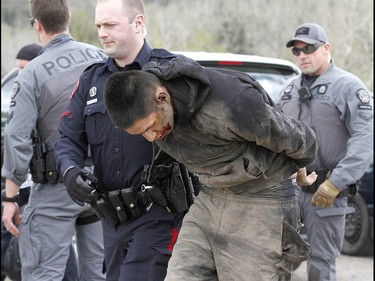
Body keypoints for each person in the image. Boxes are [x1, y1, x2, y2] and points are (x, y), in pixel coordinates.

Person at [102, 55, 319, 280]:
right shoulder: (149, 103)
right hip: (210, 198)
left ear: (162, 98)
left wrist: (297, 169)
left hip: (262, 200)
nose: (150, 137)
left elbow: (301, 142)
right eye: (142, 133)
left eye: (150, 127)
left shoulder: (232, 105)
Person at [54, 0, 187, 280]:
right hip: (112, 219)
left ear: (138, 23)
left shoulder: (169, 73)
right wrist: (70, 172)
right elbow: (68, 137)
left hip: (158, 215)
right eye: (99, 26)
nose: (103, 33)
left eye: (111, 25)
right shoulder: (92, 80)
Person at [1, 0, 108, 280]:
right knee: (99, 274)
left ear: (37, 25)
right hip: (103, 184)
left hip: (56, 188)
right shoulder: (101, 58)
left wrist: (10, 197)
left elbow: (16, 137)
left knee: (43, 274)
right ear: (68, 17)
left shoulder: (32, 74)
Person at [278, 23, 373, 280]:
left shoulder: (348, 87)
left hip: (326, 193)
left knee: (320, 263)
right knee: (278, 259)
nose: (302, 56)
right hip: (288, 191)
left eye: (309, 48)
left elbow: (365, 140)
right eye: (297, 51)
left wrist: (336, 183)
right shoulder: (288, 89)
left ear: (326, 48)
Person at [1, 43, 80, 281]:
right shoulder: (23, 98)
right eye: (17, 69)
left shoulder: (49, 103)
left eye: (24, 67)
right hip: (19, 194)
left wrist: (10, 197)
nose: (21, 74)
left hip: (36, 193)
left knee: (55, 259)